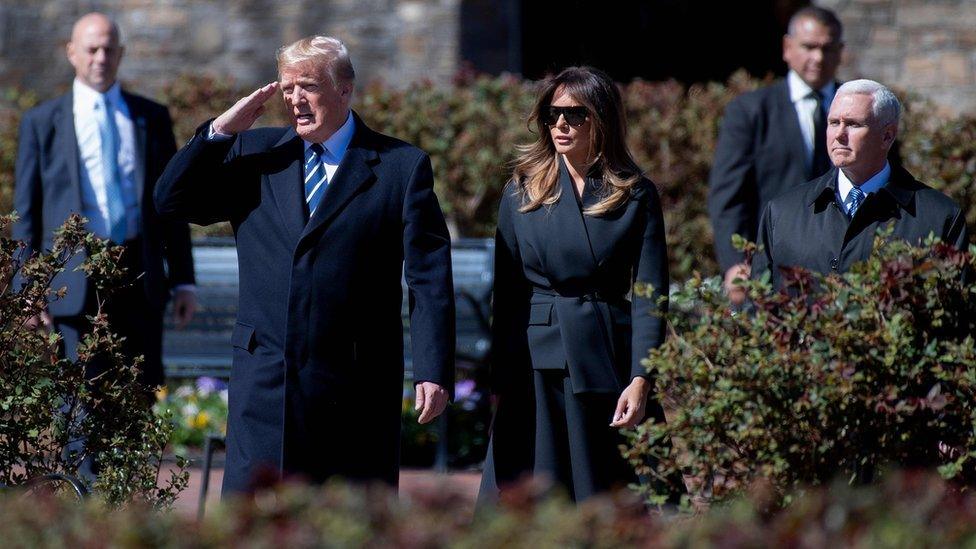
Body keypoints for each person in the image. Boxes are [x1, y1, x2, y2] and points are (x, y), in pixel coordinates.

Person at [154, 36, 455, 493]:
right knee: (256, 527)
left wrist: (432, 369)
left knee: (348, 526)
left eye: (308, 86)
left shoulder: (400, 166)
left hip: (354, 386)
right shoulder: (254, 154)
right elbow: (171, 200)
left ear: (344, 90)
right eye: (287, 87)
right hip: (266, 384)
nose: (295, 99)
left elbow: (428, 276)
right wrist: (218, 133)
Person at [480, 66, 669, 502]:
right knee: (529, 494)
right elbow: (507, 295)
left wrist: (641, 379)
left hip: (604, 357)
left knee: (604, 493)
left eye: (575, 114)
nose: (560, 124)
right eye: (551, 113)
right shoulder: (522, 191)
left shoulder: (635, 193)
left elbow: (650, 295)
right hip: (535, 360)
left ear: (601, 119)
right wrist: (500, 379)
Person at [14, 12, 196, 390]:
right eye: (91, 49)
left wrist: (183, 282)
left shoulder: (151, 117)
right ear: (72, 53)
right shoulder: (42, 122)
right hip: (72, 280)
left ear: (121, 54)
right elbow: (26, 212)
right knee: (79, 409)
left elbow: (172, 205)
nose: (100, 58)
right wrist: (27, 289)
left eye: (108, 49)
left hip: (138, 278)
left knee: (137, 403)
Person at [752, 79, 968, 283]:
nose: (839, 134)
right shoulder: (782, 212)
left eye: (853, 124)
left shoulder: (939, 217)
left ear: (887, 136)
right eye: (834, 122)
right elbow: (757, 307)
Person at [708, 6, 844, 303]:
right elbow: (728, 195)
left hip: (845, 272)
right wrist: (734, 264)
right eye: (809, 47)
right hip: (771, 270)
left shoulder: (863, 109)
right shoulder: (751, 111)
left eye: (827, 48)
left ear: (840, 51)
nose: (818, 58)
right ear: (787, 47)